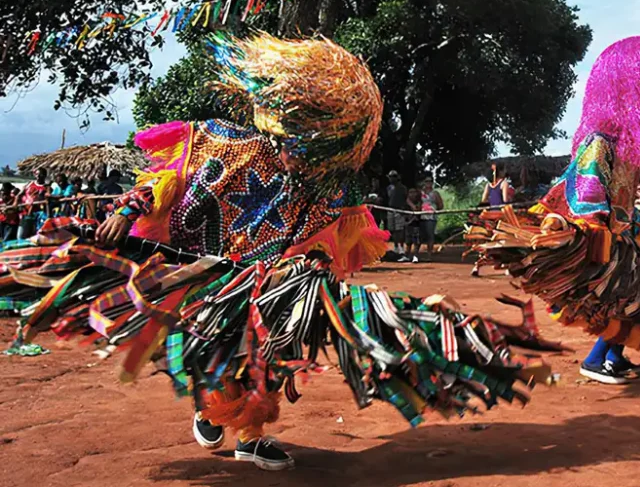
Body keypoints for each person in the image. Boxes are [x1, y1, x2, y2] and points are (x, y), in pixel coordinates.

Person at [2, 33, 554, 471]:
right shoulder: (222, 141)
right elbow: (164, 181)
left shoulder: (329, 188)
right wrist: (126, 209)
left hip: (273, 287)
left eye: (319, 144)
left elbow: (330, 244)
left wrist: (316, 281)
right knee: (221, 365)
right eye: (302, 136)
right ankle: (215, 411)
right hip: (205, 277)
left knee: (269, 361)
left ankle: (251, 437)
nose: (302, 152)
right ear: (288, 117)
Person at [470, 32, 640, 385]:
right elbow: (586, 188)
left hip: (627, 233)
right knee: (622, 298)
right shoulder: (599, 141)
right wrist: (596, 232)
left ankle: (614, 357)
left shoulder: (632, 146)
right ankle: (597, 359)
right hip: (601, 235)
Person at [17, 168, 48, 239]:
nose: (38, 176)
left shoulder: (46, 187)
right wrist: (18, 205)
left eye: (41, 175)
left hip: (38, 213)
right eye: (37, 174)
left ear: (44, 176)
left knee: (35, 235)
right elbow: (19, 195)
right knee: (21, 235)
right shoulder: (30, 184)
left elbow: (47, 198)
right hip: (26, 212)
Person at [386, 170, 409, 262]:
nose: (392, 178)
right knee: (392, 229)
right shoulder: (389, 188)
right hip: (390, 209)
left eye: (393, 176)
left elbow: (405, 198)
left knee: (400, 229)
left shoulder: (402, 188)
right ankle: (396, 246)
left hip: (399, 210)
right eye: (390, 177)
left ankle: (401, 247)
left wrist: (404, 210)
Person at [420, 176, 444, 262]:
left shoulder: (435, 193)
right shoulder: (421, 193)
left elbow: (441, 205)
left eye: (430, 181)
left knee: (430, 235)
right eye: (426, 181)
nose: (428, 183)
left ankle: (429, 254)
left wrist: (433, 209)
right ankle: (418, 254)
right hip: (421, 215)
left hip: (431, 216)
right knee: (421, 235)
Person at [405, 186, 423, 263]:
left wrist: (410, 203)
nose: (412, 194)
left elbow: (417, 210)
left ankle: (415, 256)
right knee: (408, 241)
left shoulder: (419, 201)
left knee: (416, 241)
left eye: (414, 192)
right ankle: (407, 256)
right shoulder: (405, 203)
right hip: (408, 224)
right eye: (410, 192)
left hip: (417, 223)